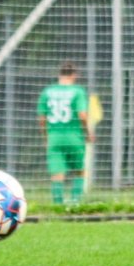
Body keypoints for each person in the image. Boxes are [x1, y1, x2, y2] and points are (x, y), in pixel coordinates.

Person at [37, 61, 93, 205]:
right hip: (74, 137)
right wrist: (88, 133)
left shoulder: (47, 92)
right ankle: (75, 202)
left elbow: (42, 118)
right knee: (80, 170)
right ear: (74, 75)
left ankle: (58, 205)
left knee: (57, 174)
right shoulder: (77, 91)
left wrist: (46, 137)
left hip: (54, 138)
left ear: (60, 74)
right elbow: (82, 115)